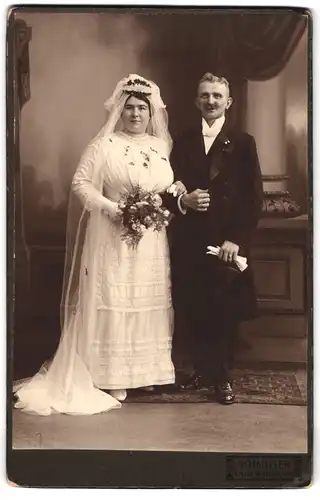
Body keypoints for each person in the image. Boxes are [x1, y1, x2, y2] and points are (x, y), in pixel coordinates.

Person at [13, 74, 179, 415]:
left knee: (145, 297)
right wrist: (113, 208)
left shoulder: (159, 145)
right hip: (112, 232)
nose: (135, 114)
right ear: (119, 111)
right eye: (129, 108)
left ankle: (143, 371)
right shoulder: (104, 145)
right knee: (115, 294)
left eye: (142, 109)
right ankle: (111, 374)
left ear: (152, 113)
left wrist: (171, 192)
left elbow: (163, 183)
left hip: (150, 237)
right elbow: (80, 183)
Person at [169, 73, 264, 404]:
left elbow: (254, 199)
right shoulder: (181, 141)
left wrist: (236, 240)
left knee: (223, 309)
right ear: (197, 101)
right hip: (190, 239)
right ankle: (199, 371)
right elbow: (169, 187)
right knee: (194, 306)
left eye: (217, 96)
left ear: (228, 102)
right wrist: (184, 200)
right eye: (205, 95)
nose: (211, 101)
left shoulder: (243, 142)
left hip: (225, 242)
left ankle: (222, 378)